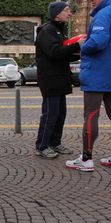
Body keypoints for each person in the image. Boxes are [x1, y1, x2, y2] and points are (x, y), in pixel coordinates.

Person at [34, 1, 86, 158]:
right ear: (57, 13)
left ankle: (55, 142)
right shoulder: (47, 30)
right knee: (50, 114)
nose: (69, 13)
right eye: (66, 10)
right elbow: (54, 53)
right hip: (50, 79)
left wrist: (77, 51)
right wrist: (76, 44)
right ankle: (41, 146)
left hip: (60, 79)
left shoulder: (59, 31)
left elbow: (62, 54)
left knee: (60, 114)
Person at [66, 0, 111, 171]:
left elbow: (98, 42)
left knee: (91, 115)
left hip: (98, 72)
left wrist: (84, 46)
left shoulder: (103, 14)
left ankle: (86, 158)